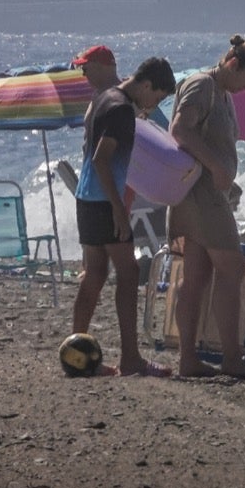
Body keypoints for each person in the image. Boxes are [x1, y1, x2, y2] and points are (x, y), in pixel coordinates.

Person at [70, 56, 176, 378]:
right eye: (156, 98)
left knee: (96, 273)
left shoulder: (105, 96)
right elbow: (103, 160)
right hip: (103, 202)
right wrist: (118, 207)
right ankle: (131, 358)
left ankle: (75, 353)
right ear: (145, 85)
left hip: (86, 198)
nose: (153, 105)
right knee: (129, 272)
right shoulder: (120, 109)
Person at [168, 38, 245, 380]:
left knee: (197, 276)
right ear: (233, 65)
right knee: (233, 268)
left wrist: (226, 174)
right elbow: (179, 129)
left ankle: (188, 360)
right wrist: (217, 168)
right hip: (200, 194)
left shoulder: (221, 92)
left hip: (206, 193)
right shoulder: (202, 85)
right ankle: (232, 357)